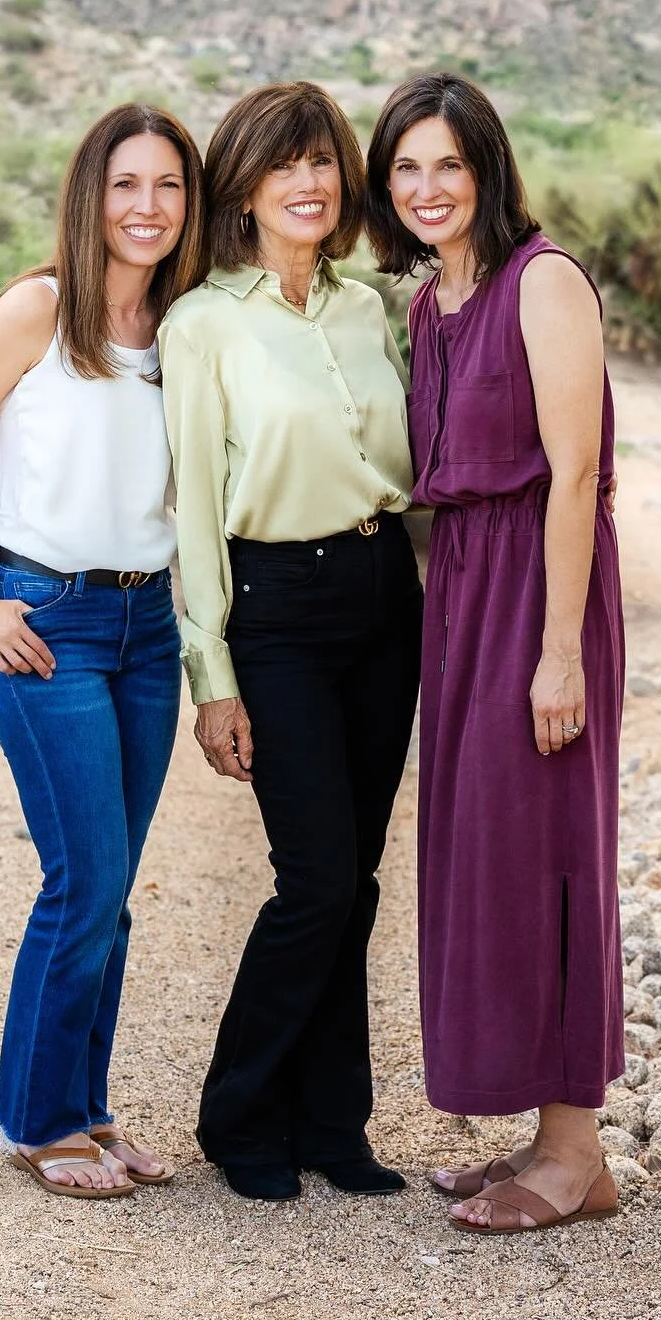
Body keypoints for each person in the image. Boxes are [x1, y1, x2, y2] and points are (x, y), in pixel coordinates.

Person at [0, 104, 208, 1201]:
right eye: (126, 184)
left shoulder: (185, 329)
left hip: (145, 632)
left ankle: (86, 1108)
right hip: (44, 623)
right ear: (92, 195)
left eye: (168, 186)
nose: (147, 207)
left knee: (113, 887)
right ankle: (36, 1120)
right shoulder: (38, 310)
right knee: (82, 879)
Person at [364, 72, 626, 1236]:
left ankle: (576, 1154)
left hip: (540, 592)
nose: (427, 189)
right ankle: (543, 1136)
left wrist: (557, 652)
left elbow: (575, 475)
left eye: (448, 166)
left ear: (488, 171)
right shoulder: (428, 306)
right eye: (405, 169)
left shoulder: (545, 282)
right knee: (488, 855)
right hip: (462, 593)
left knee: (554, 845)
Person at [159, 82, 422, 1203]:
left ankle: (331, 1120)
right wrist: (211, 678)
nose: (308, 184)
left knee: (354, 880)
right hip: (277, 604)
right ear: (245, 188)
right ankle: (238, 1114)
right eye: (283, 167)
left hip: (383, 591)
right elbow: (192, 513)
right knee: (313, 876)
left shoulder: (372, 308)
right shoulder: (204, 321)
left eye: (323, 163)